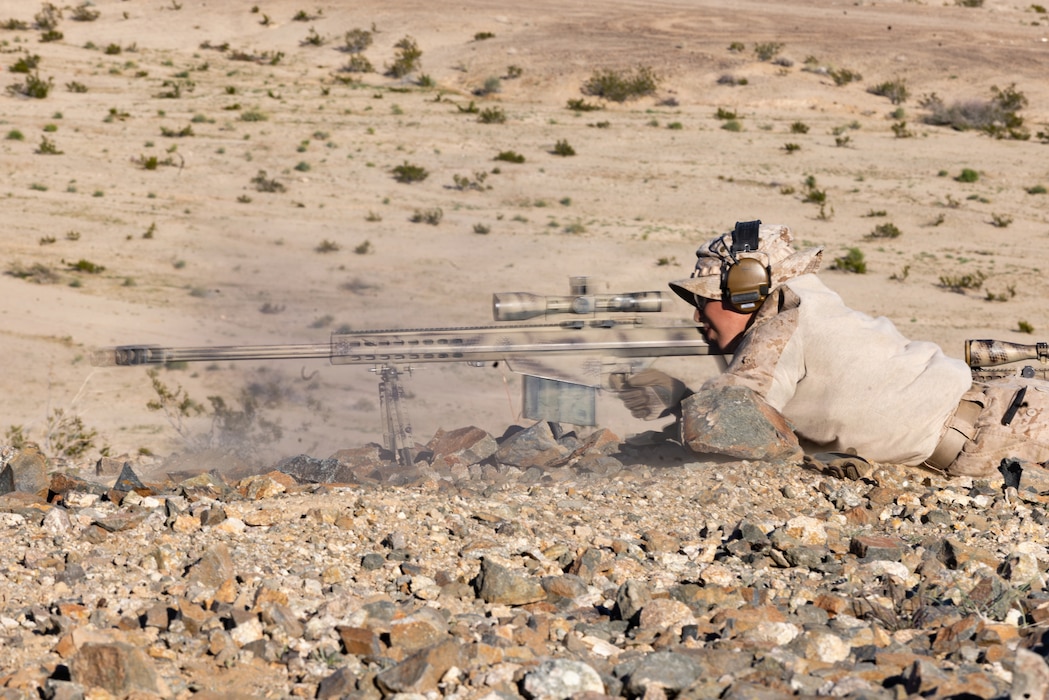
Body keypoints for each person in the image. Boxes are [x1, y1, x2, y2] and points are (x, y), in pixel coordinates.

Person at [616, 220, 1049, 477]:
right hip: (1000, 418)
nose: (698, 316)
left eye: (704, 300)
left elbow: (731, 429)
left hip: (1010, 431)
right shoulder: (801, 301)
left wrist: (679, 402)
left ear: (747, 293)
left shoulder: (785, 317)